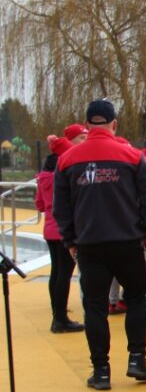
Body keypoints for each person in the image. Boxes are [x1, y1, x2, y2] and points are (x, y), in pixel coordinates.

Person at [52, 98, 146, 390]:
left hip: (90, 244)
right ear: (114, 124)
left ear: (87, 124)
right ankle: (137, 358)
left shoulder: (68, 159)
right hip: (128, 240)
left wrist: (70, 239)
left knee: (95, 307)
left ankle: (101, 370)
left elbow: (60, 206)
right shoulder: (132, 156)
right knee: (137, 297)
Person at [34, 134, 84, 333]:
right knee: (65, 273)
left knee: (56, 272)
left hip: (49, 228)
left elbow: (39, 203)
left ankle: (57, 310)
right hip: (64, 229)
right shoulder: (62, 174)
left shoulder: (43, 176)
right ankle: (60, 318)